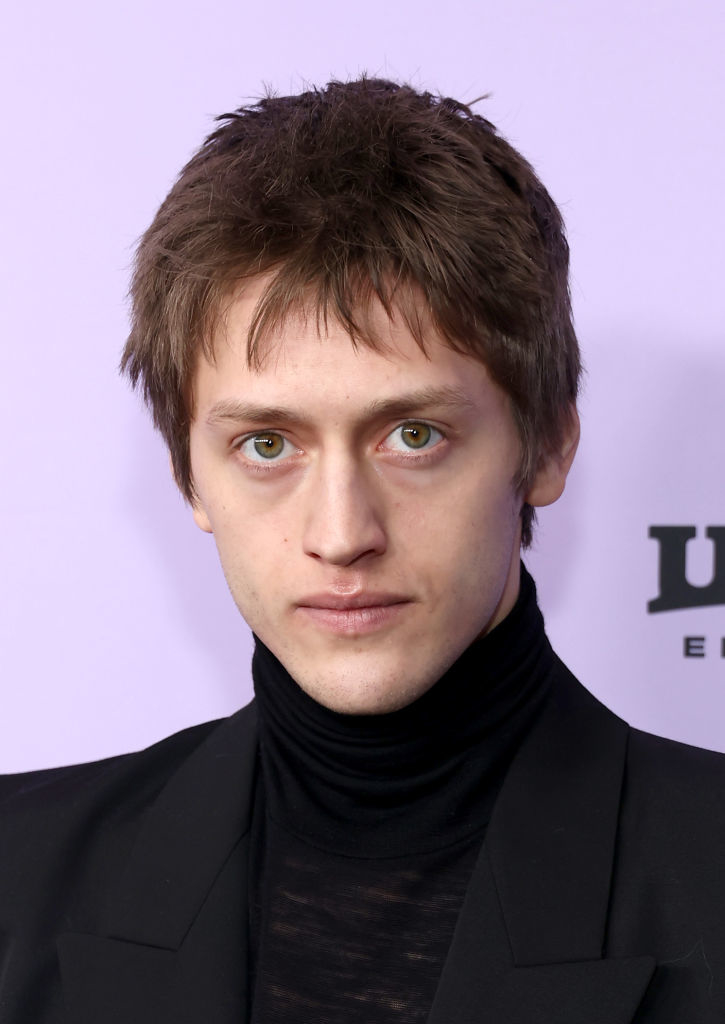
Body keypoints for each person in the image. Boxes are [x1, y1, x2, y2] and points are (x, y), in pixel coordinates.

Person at [1, 77, 723, 1024]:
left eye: (411, 436)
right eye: (267, 445)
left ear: (546, 445)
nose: (342, 535)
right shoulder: (19, 872)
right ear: (187, 476)